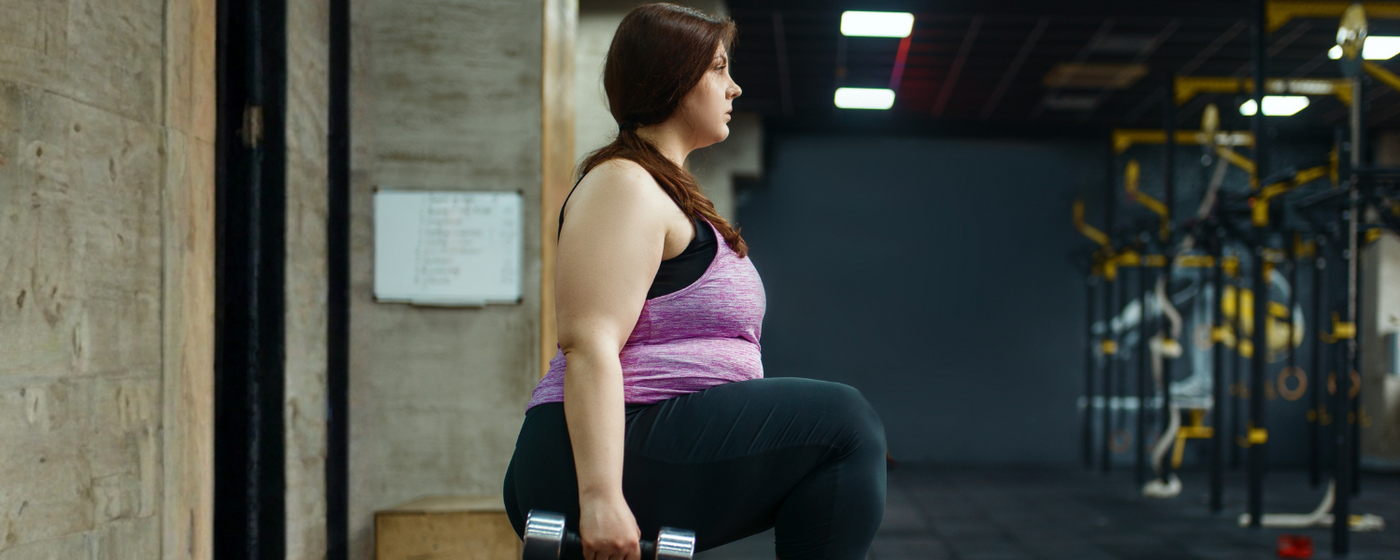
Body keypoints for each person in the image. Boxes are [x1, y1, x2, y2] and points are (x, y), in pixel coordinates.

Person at [502, 5, 886, 560]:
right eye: (718, 69)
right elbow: (589, 341)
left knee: (835, 445)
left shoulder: (665, 191)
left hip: (648, 436)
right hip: (597, 451)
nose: (734, 88)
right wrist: (602, 496)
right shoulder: (622, 184)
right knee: (844, 425)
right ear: (675, 78)